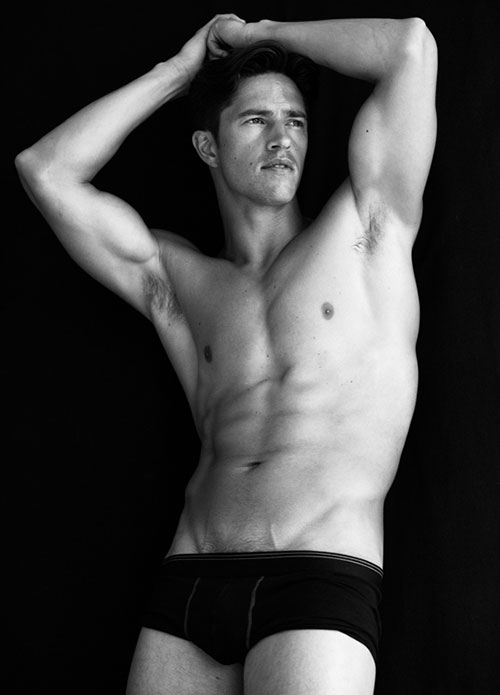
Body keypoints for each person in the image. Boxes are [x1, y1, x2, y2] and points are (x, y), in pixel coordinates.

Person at [15, 12, 438, 695]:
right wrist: (179, 72)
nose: (282, 138)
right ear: (207, 147)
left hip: (317, 573)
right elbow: (46, 171)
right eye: (256, 120)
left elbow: (409, 47)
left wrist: (260, 33)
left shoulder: (368, 225)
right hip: (190, 576)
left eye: (296, 121)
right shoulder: (181, 281)